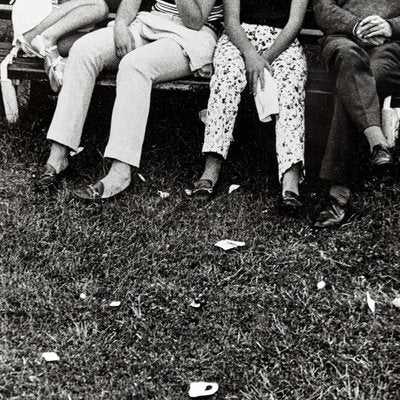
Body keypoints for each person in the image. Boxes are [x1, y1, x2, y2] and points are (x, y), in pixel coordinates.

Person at [34, 0, 223, 200]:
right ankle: (58, 156)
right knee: (83, 50)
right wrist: (121, 25)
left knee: (134, 66)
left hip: (192, 36)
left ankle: (120, 172)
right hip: (152, 22)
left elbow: (194, 21)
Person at [192, 0, 309, 212]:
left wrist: (265, 59)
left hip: (282, 41)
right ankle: (212, 166)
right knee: (227, 79)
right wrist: (251, 55)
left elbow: (295, 22)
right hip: (239, 40)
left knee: (290, 86)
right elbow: (232, 21)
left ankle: (290, 180)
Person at [313, 0, 400, 228]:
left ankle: (339, 192)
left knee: (360, 82)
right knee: (351, 63)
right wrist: (355, 25)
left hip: (387, 46)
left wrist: (390, 26)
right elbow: (322, 8)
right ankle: (377, 143)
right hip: (343, 40)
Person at [13, 0, 117, 92]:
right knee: (99, 7)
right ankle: (48, 39)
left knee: (100, 40)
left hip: (37, 41)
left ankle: (61, 63)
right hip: (34, 24)